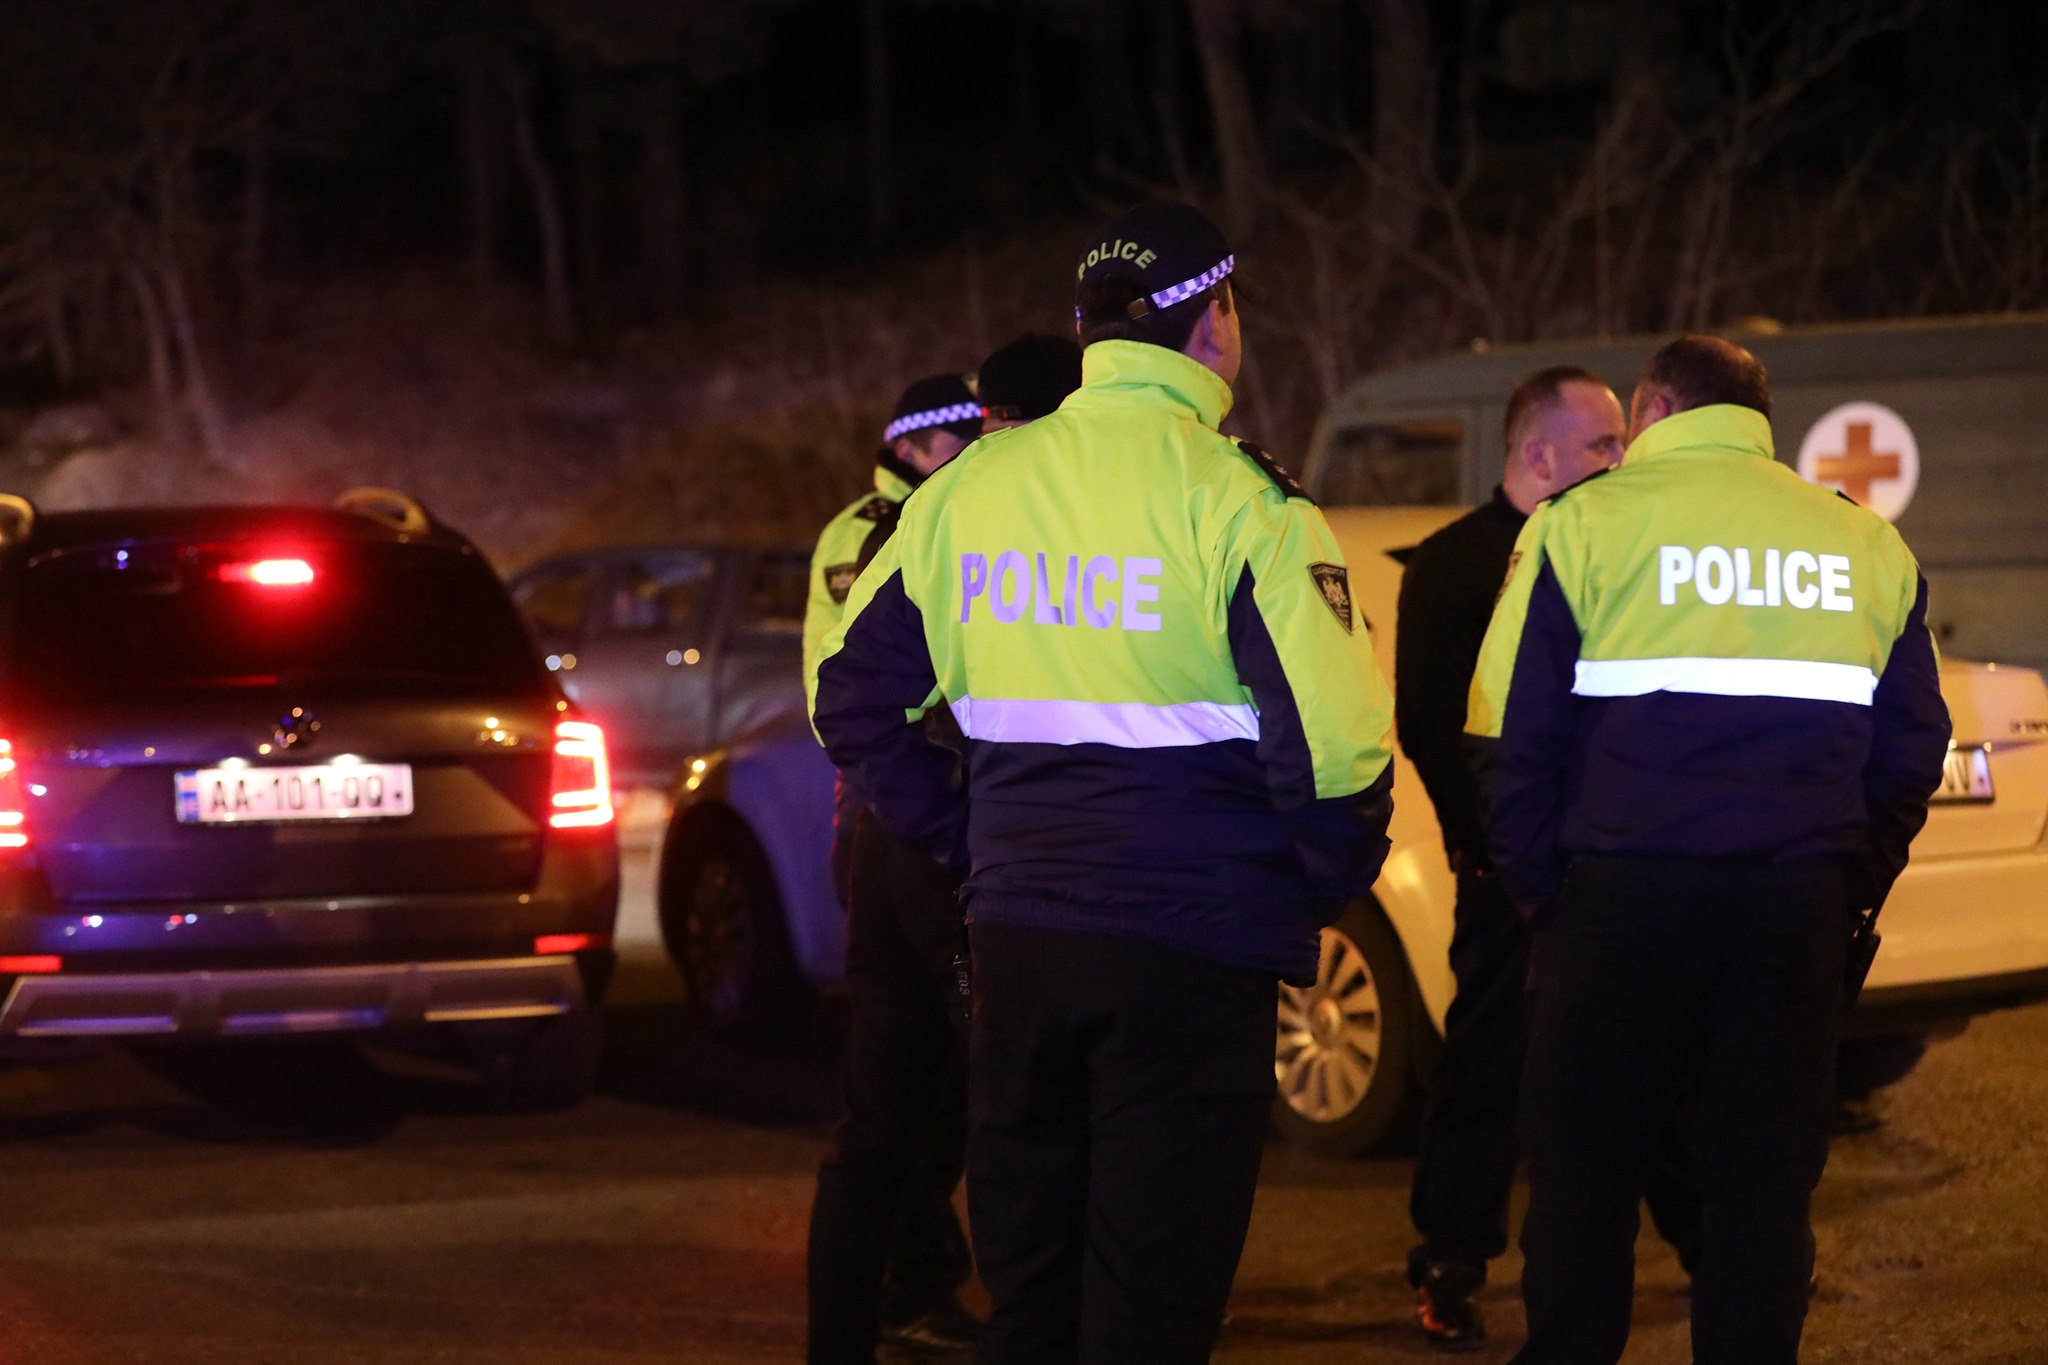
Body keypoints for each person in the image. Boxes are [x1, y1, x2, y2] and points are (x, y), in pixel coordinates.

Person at [812, 200, 1397, 1364]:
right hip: (1189, 951)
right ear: (1213, 321)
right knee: (1151, 1306)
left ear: (1087, 332)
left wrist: (967, 837)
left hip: (1020, 944)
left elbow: (850, 699)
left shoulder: (967, 493)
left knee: (1031, 1298)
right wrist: (1305, 892)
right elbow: (1337, 758)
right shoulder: (1243, 501)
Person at [1467, 335, 1950, 1365]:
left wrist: (1548, 896)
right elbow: (1912, 749)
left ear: (1651, 408)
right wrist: (1844, 887)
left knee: (1584, 1182)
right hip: (1790, 910)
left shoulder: (1579, 525)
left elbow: (1505, 738)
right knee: (1760, 1192)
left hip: (1615, 906)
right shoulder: (1861, 542)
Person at [1398, 367, 1699, 1349]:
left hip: (1612, 865)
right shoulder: (1453, 565)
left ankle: (1711, 1246)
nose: (1622, 458)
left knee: (1649, 1065)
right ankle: (1451, 1261)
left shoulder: (1618, 545)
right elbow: (1433, 723)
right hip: (1510, 874)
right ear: (1537, 454)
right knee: (1488, 1066)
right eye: (1603, 443)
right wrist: (1500, 848)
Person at [802, 373, 985, 1364]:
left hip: (899, 818)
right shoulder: (879, 532)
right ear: (910, 446)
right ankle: (913, 1289)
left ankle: (904, 1291)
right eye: (962, 432)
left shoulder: (950, 515)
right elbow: (859, 689)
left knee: (914, 1095)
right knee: (931, 1090)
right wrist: (946, 818)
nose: (981, 443)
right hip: (898, 818)